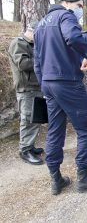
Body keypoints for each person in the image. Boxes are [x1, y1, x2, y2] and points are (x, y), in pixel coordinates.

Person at [34, 0, 87, 195]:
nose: (81, 10)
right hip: (66, 81)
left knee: (55, 130)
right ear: (66, 3)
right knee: (86, 127)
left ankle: (56, 179)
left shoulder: (40, 24)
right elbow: (73, 37)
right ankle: (83, 178)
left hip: (49, 83)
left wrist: (45, 83)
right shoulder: (65, 16)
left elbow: (37, 60)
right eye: (80, 6)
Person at [8, 21, 44, 165]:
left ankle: (30, 145)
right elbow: (23, 64)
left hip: (36, 86)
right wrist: (42, 59)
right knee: (28, 119)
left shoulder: (34, 45)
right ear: (32, 31)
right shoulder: (18, 43)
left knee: (35, 119)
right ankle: (24, 150)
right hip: (26, 88)